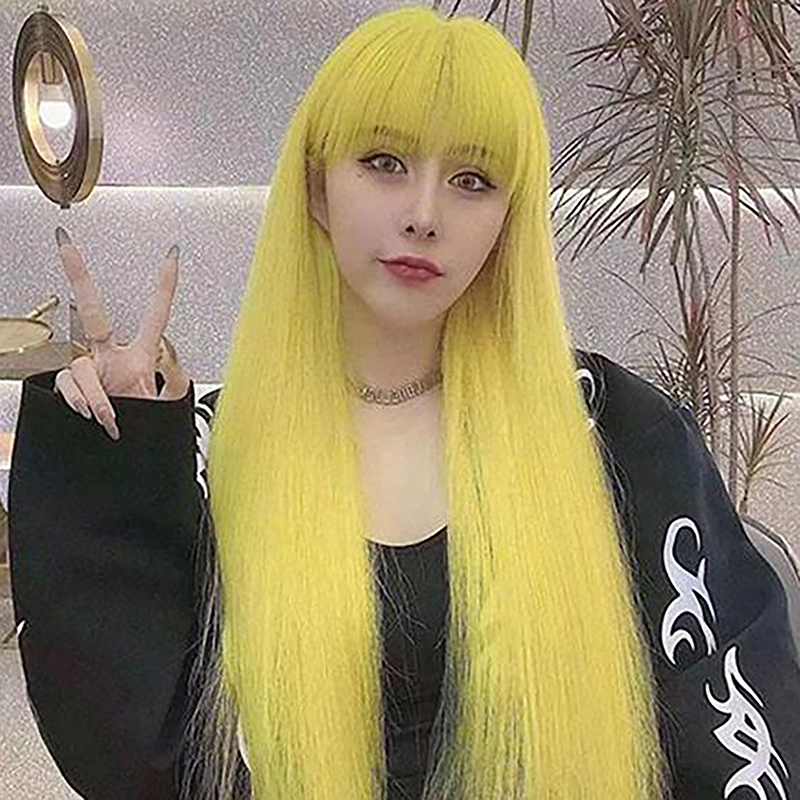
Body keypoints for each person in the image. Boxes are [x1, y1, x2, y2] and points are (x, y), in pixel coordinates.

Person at [7, 6, 800, 800]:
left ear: (508, 220)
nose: (424, 213)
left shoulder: (615, 435)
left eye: (472, 180)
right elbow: (135, 752)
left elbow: (734, 732)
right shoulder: (214, 456)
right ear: (317, 188)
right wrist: (116, 463)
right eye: (384, 162)